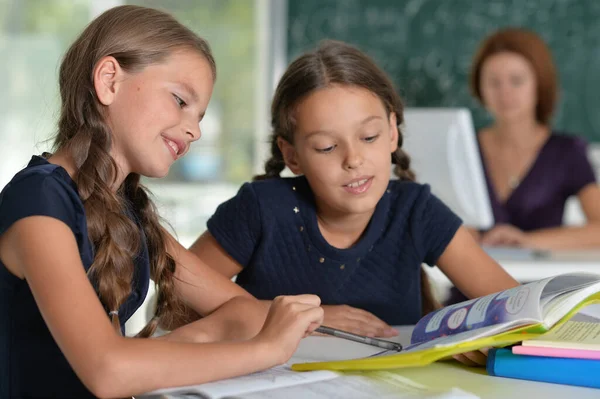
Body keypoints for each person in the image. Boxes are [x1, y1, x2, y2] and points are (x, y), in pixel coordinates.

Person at [0, 6, 324, 399]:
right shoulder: (38, 203)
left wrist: (197, 337)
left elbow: (247, 312)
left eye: (201, 115)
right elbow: (107, 371)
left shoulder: (128, 211)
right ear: (109, 81)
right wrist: (265, 350)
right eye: (179, 100)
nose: (195, 129)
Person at [189, 40, 519, 366]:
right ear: (292, 155)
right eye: (326, 147)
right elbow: (176, 301)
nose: (353, 160)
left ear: (392, 131)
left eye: (369, 137)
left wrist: (468, 335)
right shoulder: (259, 209)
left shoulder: (416, 210)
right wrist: (306, 320)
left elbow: (519, 309)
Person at [468, 27, 600, 249]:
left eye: (516, 81)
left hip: (539, 281)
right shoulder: (463, 148)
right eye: (493, 82)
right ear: (480, 88)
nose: (505, 92)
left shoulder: (567, 151)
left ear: (539, 84)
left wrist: (527, 241)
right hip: (472, 281)